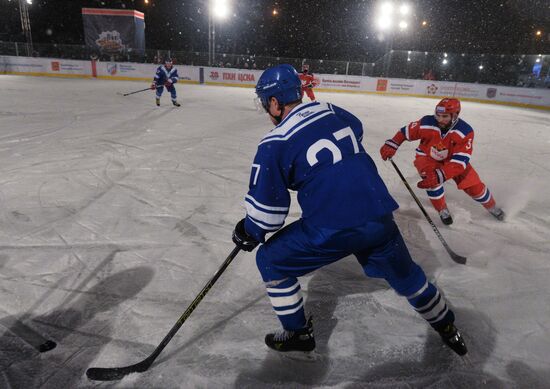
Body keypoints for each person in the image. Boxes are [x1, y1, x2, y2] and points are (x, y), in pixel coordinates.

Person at [231, 64, 467, 356]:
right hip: (378, 213)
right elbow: (355, 129)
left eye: (266, 103)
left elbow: (268, 215)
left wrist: (249, 231)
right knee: (409, 278)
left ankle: (298, 333)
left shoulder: (273, 143)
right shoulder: (331, 110)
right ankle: (447, 326)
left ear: (275, 103)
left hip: (330, 227)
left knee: (270, 260)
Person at [379, 98, 505, 225]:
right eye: (437, 115)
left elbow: (460, 161)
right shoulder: (427, 122)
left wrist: (441, 175)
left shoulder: (465, 131)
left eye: (444, 116)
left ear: (455, 115)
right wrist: (393, 143)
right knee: (431, 180)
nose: (439, 120)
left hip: (453, 162)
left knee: (474, 186)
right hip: (427, 157)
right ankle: (442, 209)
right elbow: (405, 132)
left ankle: (492, 206)